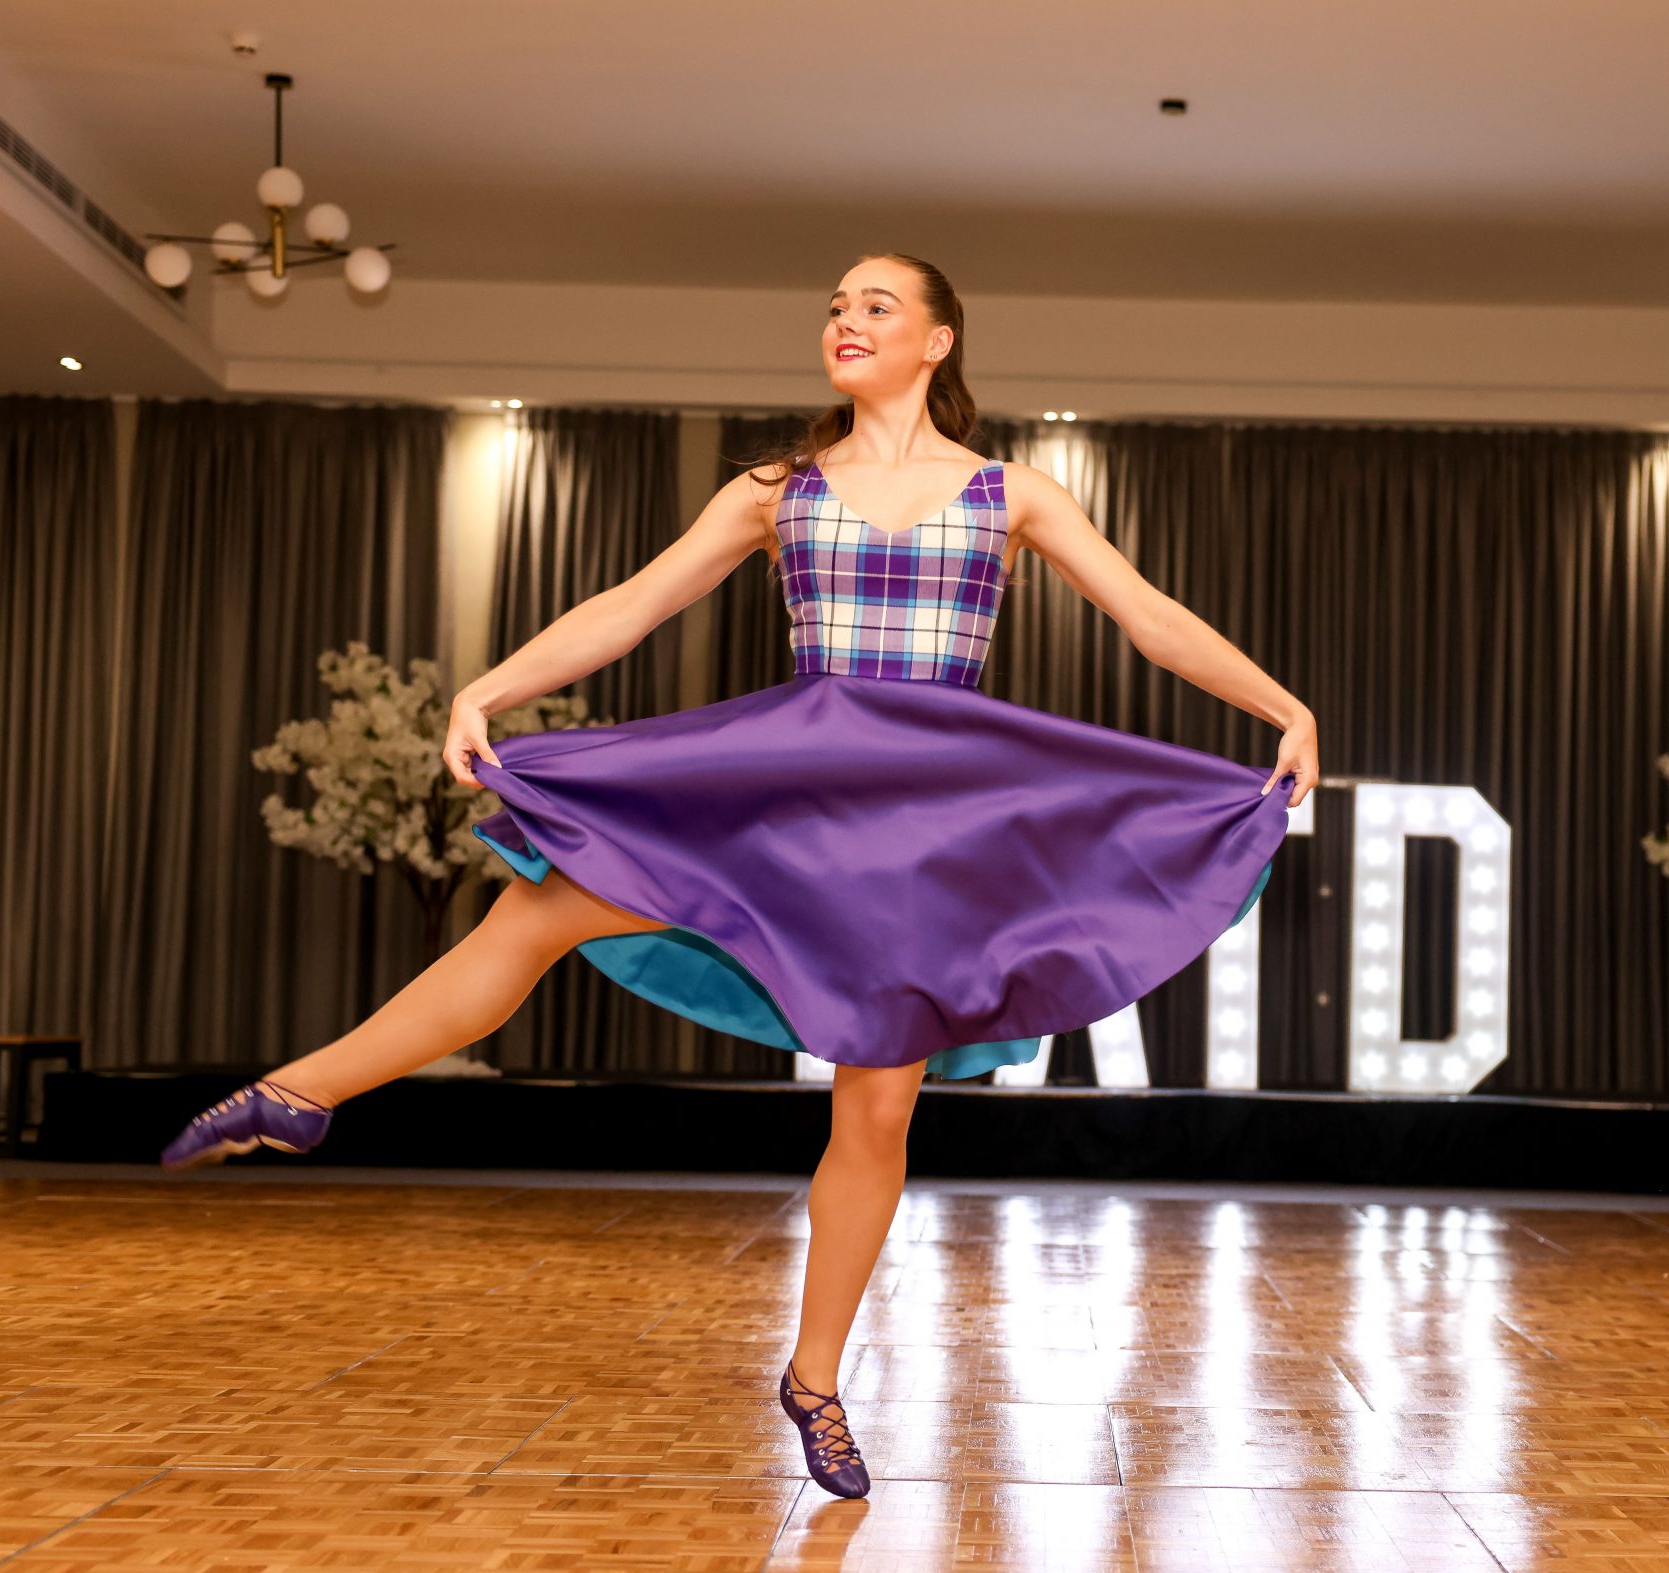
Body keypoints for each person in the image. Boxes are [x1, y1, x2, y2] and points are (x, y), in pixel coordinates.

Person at [160, 252, 1319, 1499]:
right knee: (536, 908)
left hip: (923, 829)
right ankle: (299, 1091)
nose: (845, 320)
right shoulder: (779, 489)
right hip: (791, 796)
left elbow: (1147, 614)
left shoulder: (1010, 493)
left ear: (936, 341)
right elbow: (635, 603)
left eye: (875, 306)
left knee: (877, 1111)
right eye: (835, 307)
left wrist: (1280, 705)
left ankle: (814, 1381)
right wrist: (490, 688)